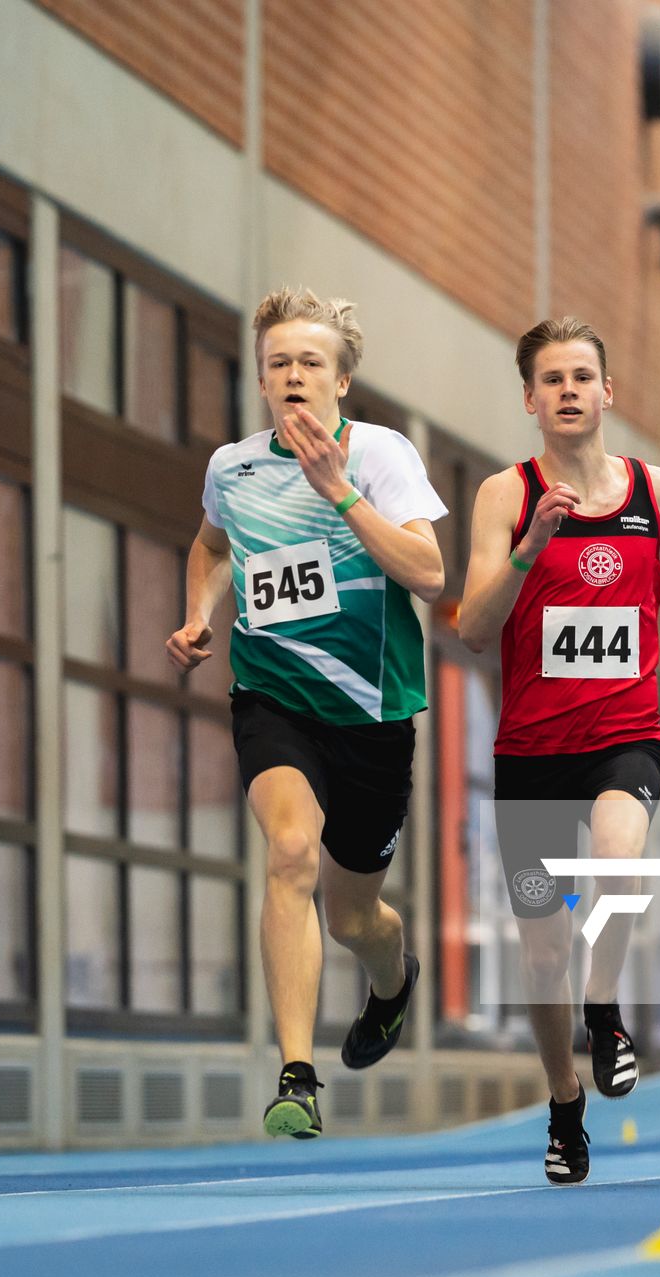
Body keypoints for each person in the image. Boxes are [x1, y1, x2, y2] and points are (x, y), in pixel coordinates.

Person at [459, 317, 660, 1184]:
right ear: (530, 399)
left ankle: (607, 1008)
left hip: (625, 735)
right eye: (552, 379)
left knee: (624, 861)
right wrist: (531, 548)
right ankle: (563, 1101)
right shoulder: (503, 496)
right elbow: (474, 629)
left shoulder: (651, 489)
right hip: (532, 755)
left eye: (583, 376)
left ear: (607, 391)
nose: (569, 391)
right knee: (542, 950)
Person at [169, 287, 447, 1139]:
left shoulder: (382, 457)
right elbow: (214, 544)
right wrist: (198, 614)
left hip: (371, 713)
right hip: (272, 693)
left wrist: (339, 495)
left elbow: (430, 575)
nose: (293, 375)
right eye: (279, 363)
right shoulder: (233, 467)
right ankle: (296, 1073)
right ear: (261, 378)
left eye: (310, 362)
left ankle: (393, 982)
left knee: (355, 913)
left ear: (342, 380)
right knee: (289, 851)